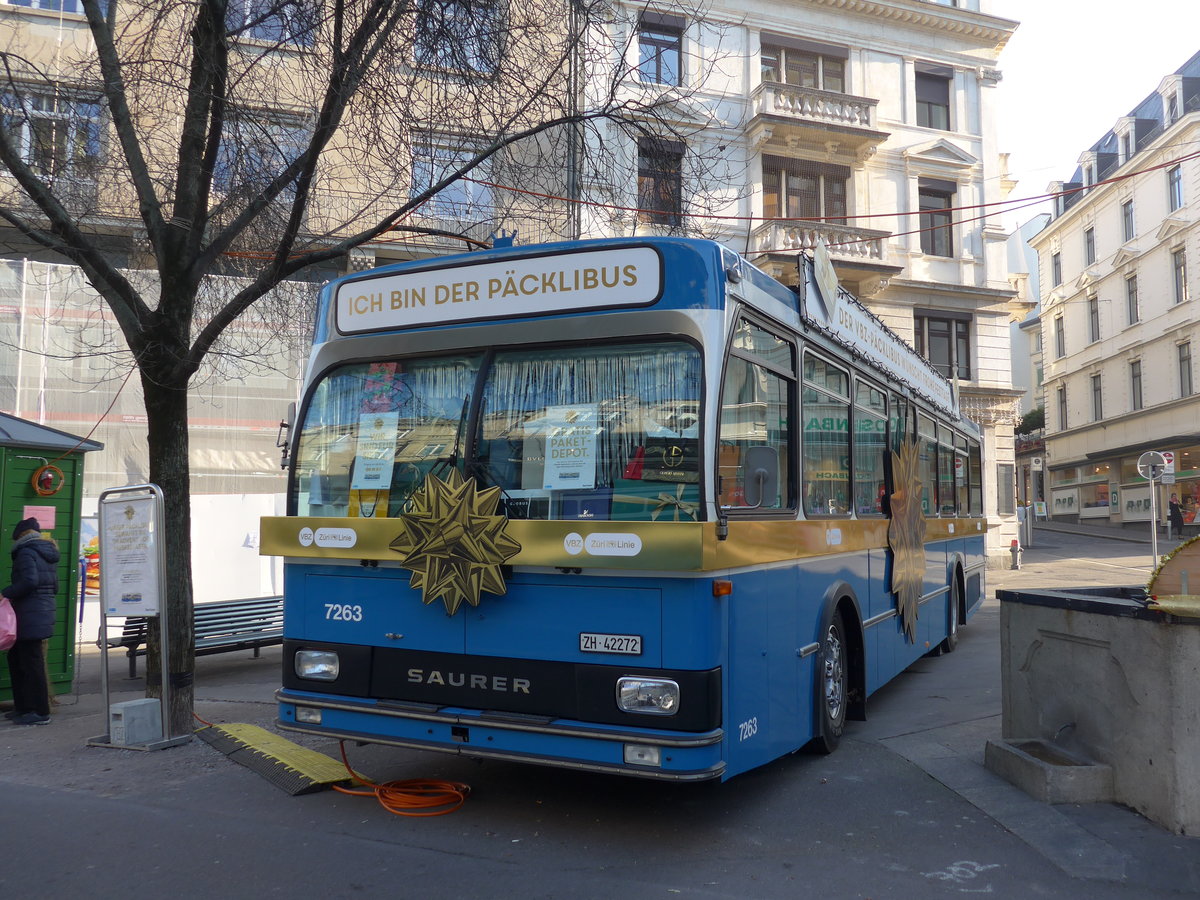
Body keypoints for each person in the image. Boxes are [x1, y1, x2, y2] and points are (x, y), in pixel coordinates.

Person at [3, 517, 59, 726]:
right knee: (18, 659)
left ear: (20, 536)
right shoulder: (46, 553)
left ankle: (40, 712)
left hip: (30, 614)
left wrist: (5, 594)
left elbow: (29, 581)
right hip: (39, 612)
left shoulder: (26, 552)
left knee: (31, 663)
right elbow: (55, 587)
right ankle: (24, 708)